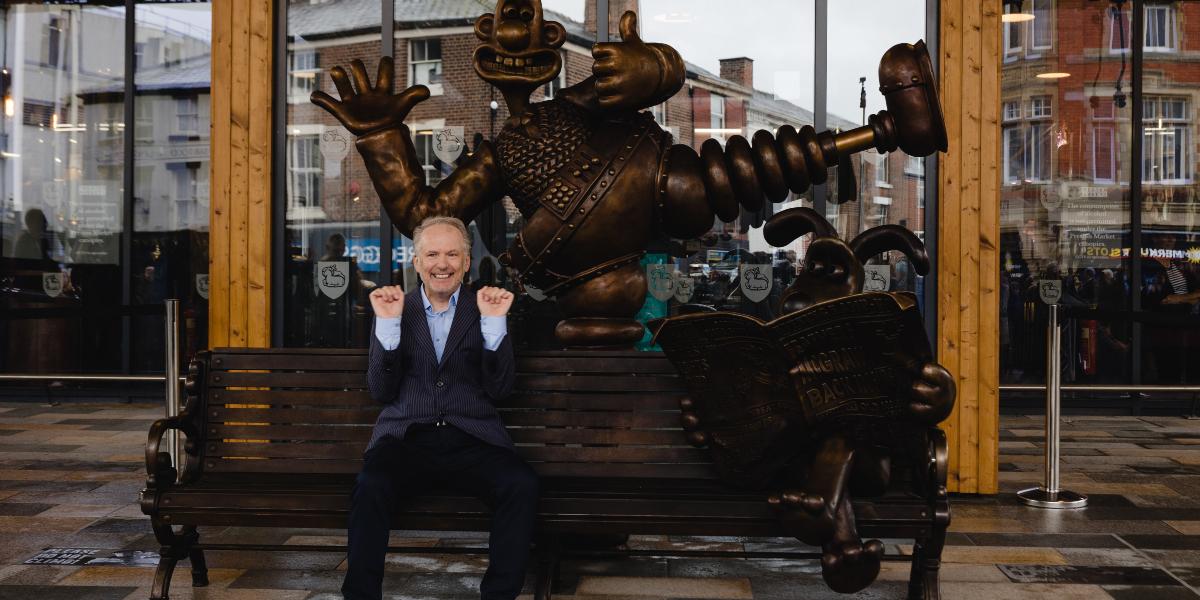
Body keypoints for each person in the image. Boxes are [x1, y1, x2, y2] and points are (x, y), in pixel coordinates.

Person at [342, 216, 537, 600]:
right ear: (416, 262)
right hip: (407, 438)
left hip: (472, 438)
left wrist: (496, 327)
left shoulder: (487, 307)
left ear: (466, 262)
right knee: (371, 485)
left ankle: (499, 595)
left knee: (521, 484)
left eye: (452, 254)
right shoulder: (396, 308)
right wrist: (387, 328)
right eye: (432, 254)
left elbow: (501, 391)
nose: (442, 263)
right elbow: (381, 391)